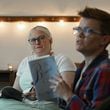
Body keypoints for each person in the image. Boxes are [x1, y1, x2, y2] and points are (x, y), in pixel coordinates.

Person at [0, 25, 76, 110]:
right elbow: (16, 90)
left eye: (41, 38)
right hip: (24, 102)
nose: (37, 42)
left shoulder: (62, 59)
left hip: (48, 104)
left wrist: (42, 93)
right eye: (33, 40)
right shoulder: (25, 61)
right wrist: (26, 95)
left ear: (50, 40)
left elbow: (67, 92)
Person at [50, 7, 110, 110]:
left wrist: (67, 95)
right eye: (78, 29)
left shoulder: (105, 71)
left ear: (104, 39)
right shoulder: (82, 67)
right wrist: (58, 91)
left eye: (87, 31)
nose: (79, 35)